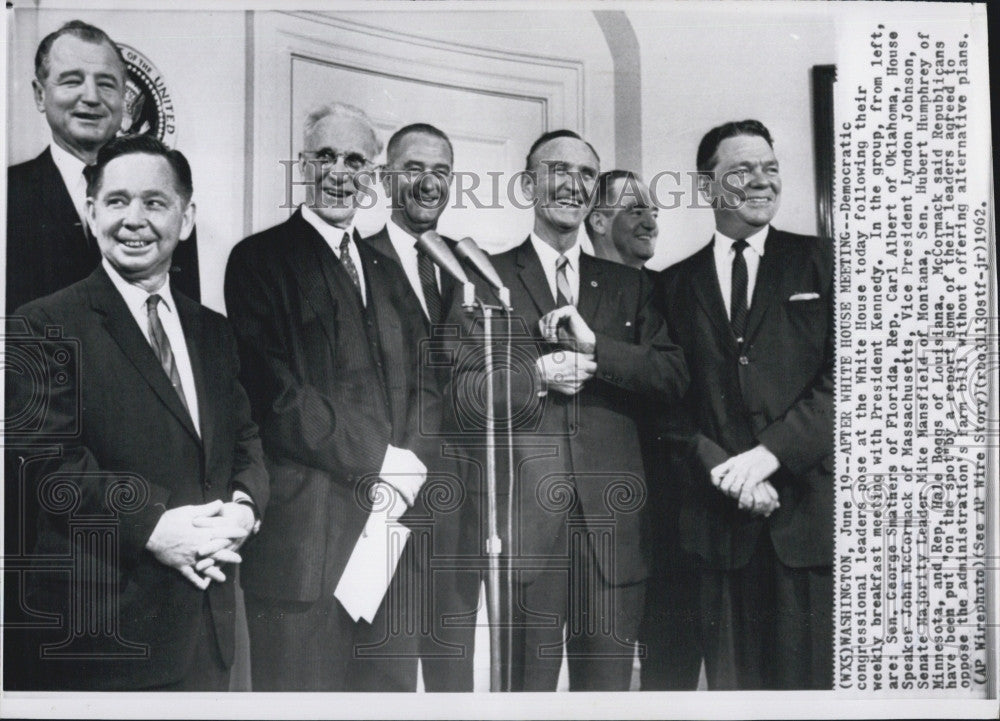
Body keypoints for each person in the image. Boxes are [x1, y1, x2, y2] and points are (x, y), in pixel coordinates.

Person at [4, 134, 268, 690]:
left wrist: (244, 508)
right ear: (90, 211)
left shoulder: (214, 332)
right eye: (117, 201)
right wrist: (153, 526)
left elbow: (244, 440)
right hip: (104, 633)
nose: (134, 220)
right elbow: (46, 466)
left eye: (155, 202)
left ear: (187, 217)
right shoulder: (38, 324)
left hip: (206, 629)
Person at [446, 129, 688, 691]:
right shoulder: (485, 277)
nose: (573, 184)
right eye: (558, 169)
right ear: (529, 183)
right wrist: (537, 375)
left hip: (615, 533)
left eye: (585, 174)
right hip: (526, 530)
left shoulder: (634, 287)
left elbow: (672, 377)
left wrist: (597, 351)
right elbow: (461, 392)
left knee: (605, 698)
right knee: (525, 695)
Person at [225, 102, 441, 691]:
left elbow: (429, 382)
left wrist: (410, 463)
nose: (339, 171)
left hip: (391, 537)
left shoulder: (390, 268)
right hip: (304, 548)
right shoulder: (259, 259)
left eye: (354, 159)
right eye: (325, 156)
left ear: (372, 174)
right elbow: (274, 394)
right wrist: (381, 457)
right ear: (302, 164)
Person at [658, 119, 834, 689]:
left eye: (770, 167)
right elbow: (668, 403)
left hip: (804, 525)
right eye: (741, 170)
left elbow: (853, 377)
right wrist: (729, 471)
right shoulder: (671, 285)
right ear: (707, 187)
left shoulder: (826, 262)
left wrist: (770, 455)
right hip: (716, 532)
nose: (761, 181)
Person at [362, 122, 477, 691]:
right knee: (387, 673)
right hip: (385, 500)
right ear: (385, 178)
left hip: (463, 505)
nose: (428, 183)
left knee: (455, 673)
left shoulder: (470, 264)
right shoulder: (355, 261)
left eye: (441, 172)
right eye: (413, 168)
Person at [583, 170, 703, 689]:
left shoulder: (670, 291)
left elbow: (679, 381)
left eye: (654, 210)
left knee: (669, 660)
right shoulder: (565, 290)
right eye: (635, 209)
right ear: (598, 219)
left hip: (672, 506)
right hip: (591, 512)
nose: (651, 220)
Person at [6, 20, 200, 313]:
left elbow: (183, 319)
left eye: (106, 84)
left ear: (123, 98)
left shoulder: (166, 195)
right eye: (72, 81)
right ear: (39, 94)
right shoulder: (7, 194)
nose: (92, 97)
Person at [584, 170, 659, 269]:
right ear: (599, 223)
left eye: (654, 215)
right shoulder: (573, 282)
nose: (651, 225)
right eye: (637, 213)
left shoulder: (668, 284)